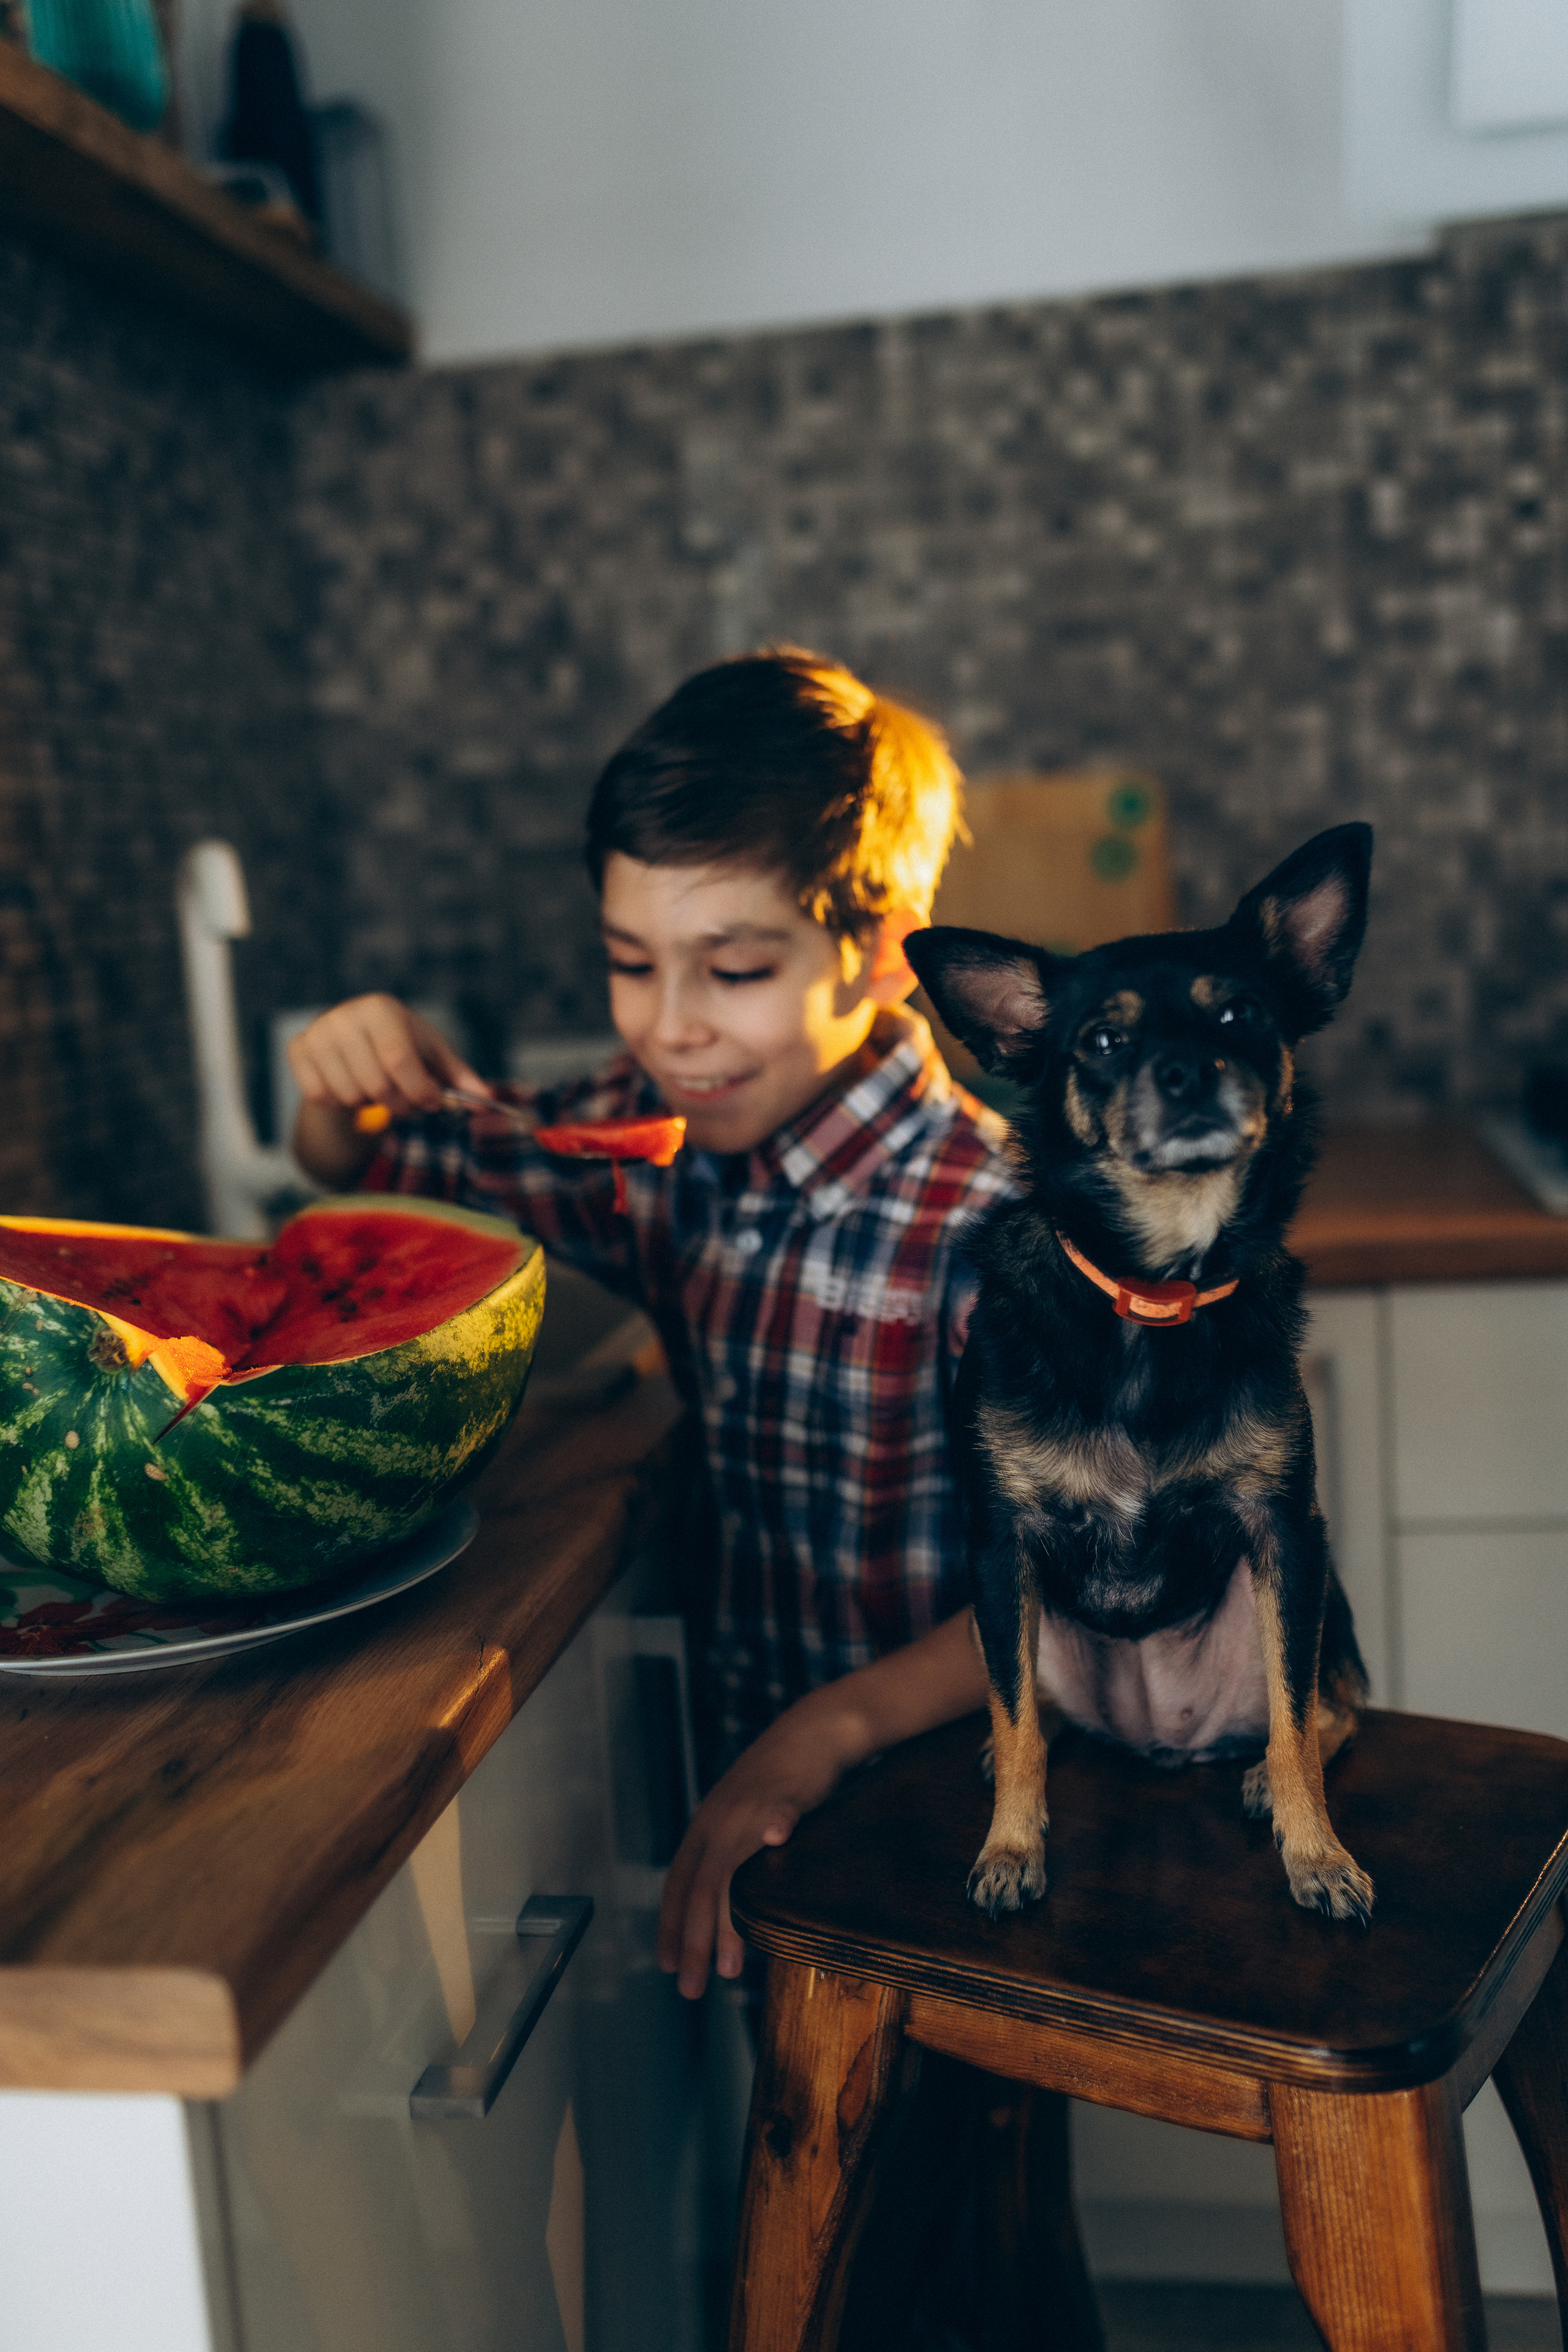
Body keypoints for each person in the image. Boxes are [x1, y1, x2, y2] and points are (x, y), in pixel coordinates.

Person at [290, 648, 1014, 1999]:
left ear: (876, 951)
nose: (670, 1031)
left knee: (950, 2189)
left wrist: (826, 1731)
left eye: (731, 969)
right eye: (630, 963)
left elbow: (1097, 1603)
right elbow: (373, 1163)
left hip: (952, 1839)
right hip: (758, 1826)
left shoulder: (990, 1230)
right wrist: (343, 1081)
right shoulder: (659, 1145)